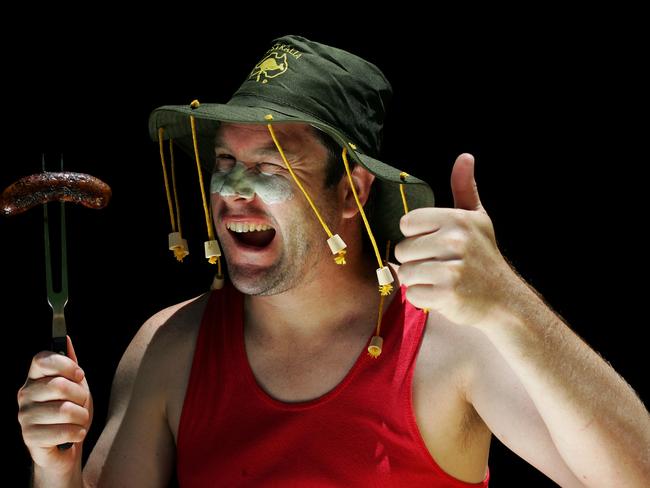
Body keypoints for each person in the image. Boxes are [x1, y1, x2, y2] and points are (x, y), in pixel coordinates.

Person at [17, 34, 649, 487]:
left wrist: (508, 304)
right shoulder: (168, 347)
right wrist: (55, 465)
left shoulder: (447, 340)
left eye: (271, 167)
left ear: (350, 192)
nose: (233, 189)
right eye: (225, 164)